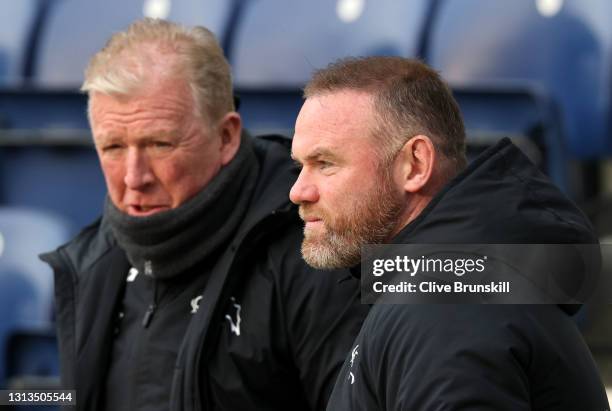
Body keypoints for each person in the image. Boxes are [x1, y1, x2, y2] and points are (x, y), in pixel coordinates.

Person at [40, 19, 368, 411]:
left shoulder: (317, 254)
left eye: (160, 144)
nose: (134, 177)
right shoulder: (92, 262)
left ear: (226, 137)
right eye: (112, 147)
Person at [289, 56, 610, 410]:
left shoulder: (445, 305)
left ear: (415, 165)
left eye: (325, 164)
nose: (299, 191)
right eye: (299, 166)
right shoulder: (452, 282)